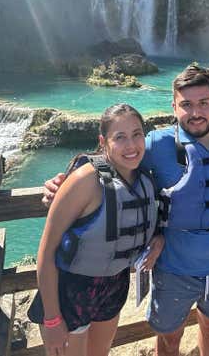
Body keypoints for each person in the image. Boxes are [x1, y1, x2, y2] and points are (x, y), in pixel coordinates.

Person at [44, 64, 209, 356]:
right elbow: (114, 163)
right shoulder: (156, 144)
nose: (196, 113)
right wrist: (64, 179)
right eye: (186, 105)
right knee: (169, 340)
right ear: (174, 106)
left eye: (204, 103)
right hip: (173, 267)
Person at [33, 103, 164, 356]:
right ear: (103, 141)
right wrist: (51, 319)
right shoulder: (85, 181)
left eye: (137, 134)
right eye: (120, 137)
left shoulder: (144, 178)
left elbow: (149, 218)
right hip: (71, 292)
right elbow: (46, 252)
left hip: (113, 287)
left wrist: (158, 238)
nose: (131, 145)